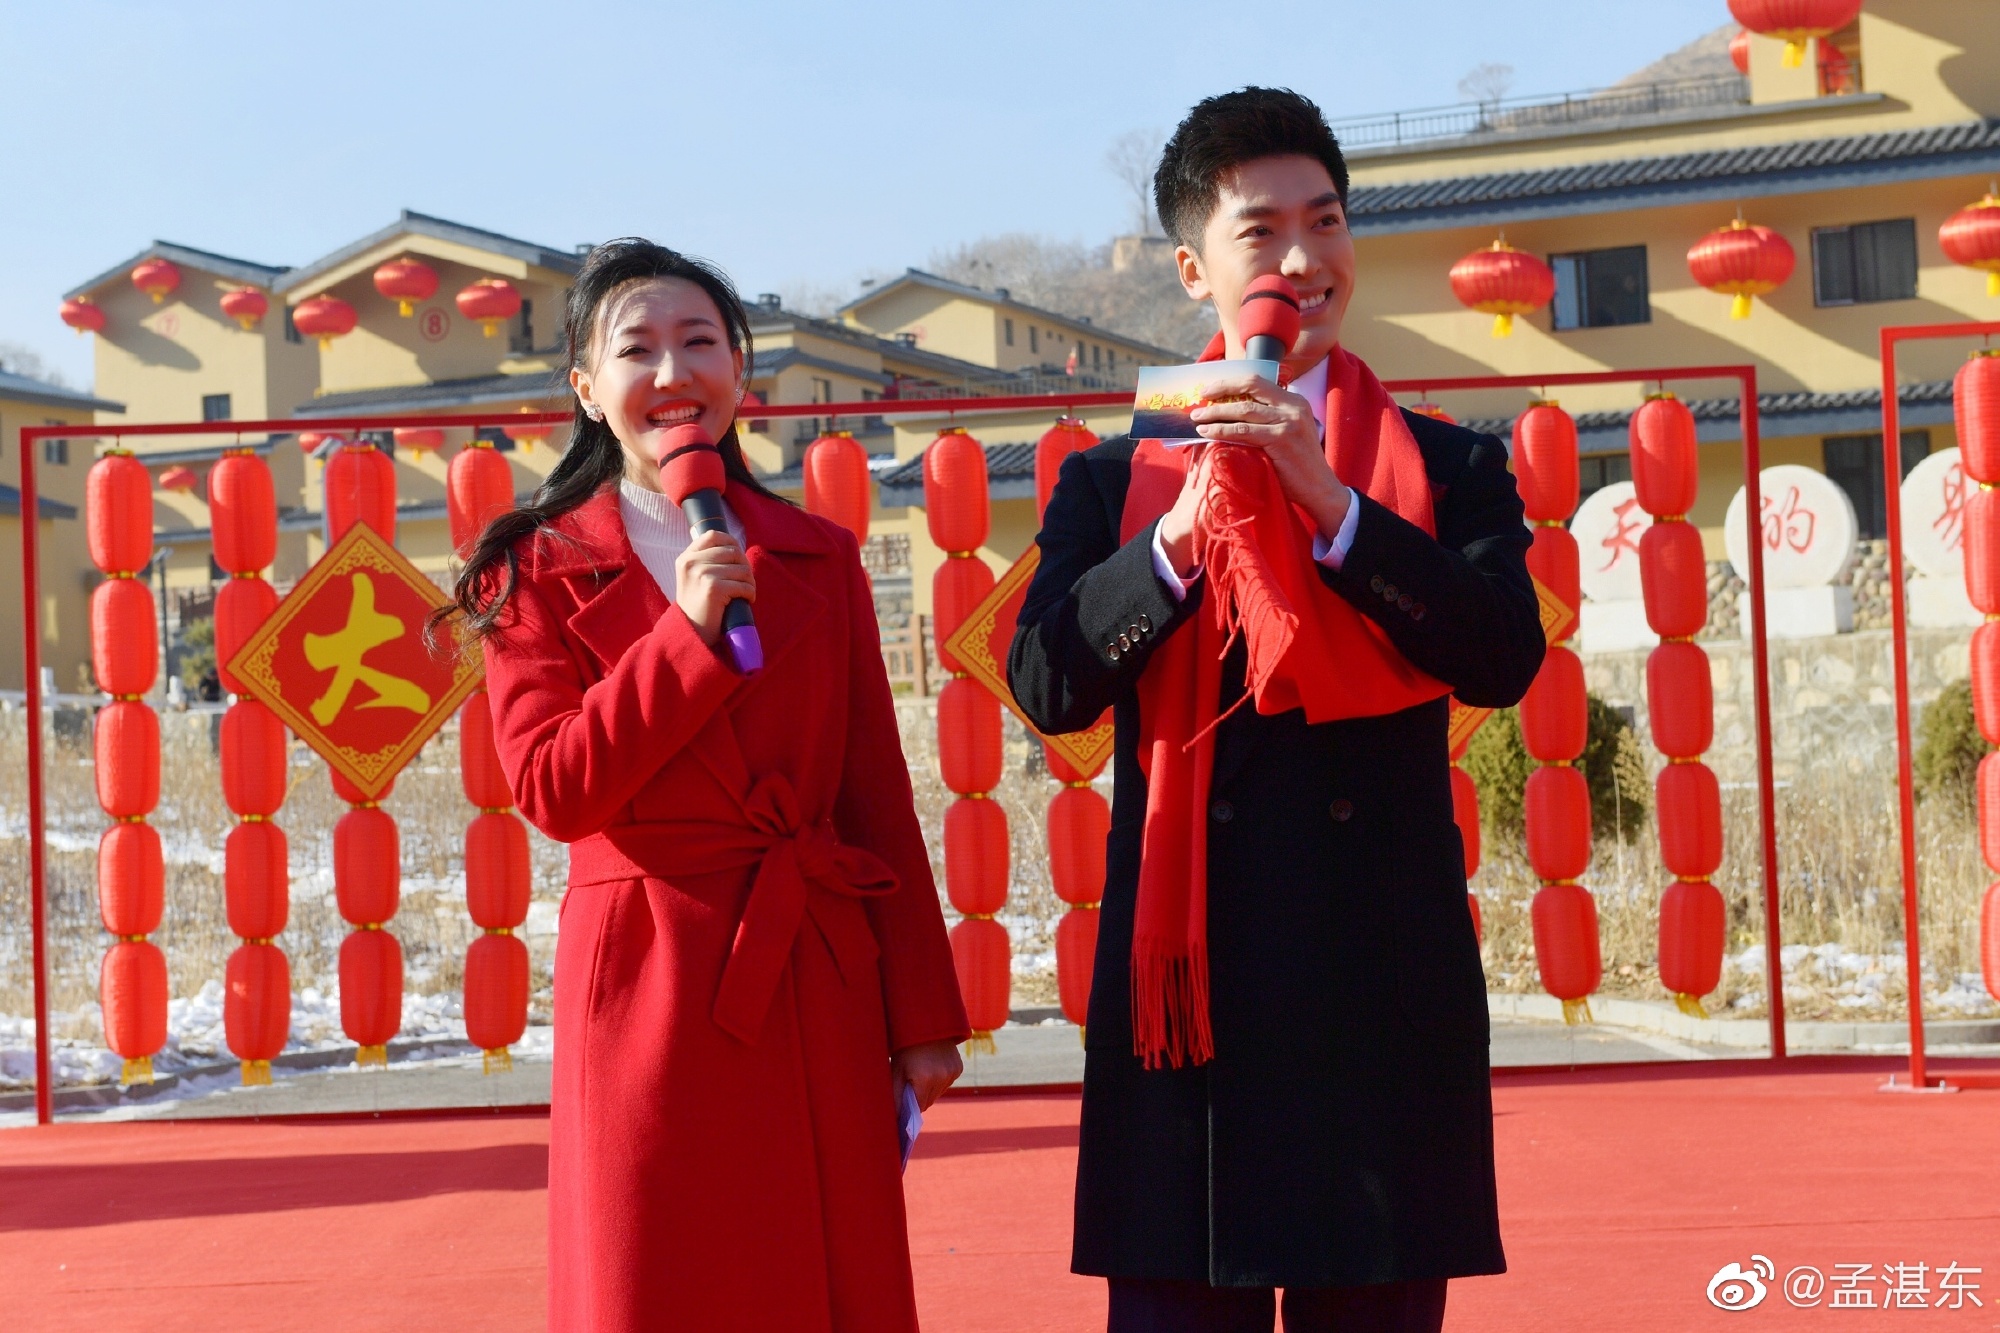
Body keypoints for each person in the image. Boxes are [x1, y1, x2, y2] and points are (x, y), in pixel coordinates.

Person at [1008, 89, 1546, 1333]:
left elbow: (1499, 656)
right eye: (1261, 233)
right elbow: (1047, 683)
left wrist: (1330, 505)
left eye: (1327, 221)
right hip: (1186, 1004)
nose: (1301, 261)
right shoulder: (1113, 476)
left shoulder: (1448, 464)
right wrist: (1180, 536)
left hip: (1378, 984)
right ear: (1196, 269)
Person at [451, 238, 968, 1332]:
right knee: (661, 1277)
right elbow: (551, 787)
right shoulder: (530, 567)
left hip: (812, 976)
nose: (672, 373)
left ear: (741, 374)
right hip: (648, 977)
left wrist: (920, 1018)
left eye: (700, 342)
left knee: (823, 1282)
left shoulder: (817, 556)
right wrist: (684, 638)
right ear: (587, 389)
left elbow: (873, 793)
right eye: (636, 348)